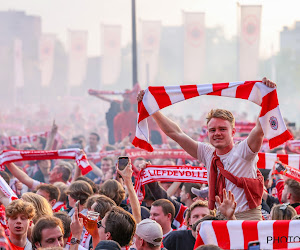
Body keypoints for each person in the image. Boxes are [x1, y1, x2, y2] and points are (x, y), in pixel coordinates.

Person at [137, 78, 277, 220]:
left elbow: (260, 128)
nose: (217, 133)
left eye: (222, 129)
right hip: (219, 219)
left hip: (247, 219)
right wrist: (152, 109)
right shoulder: (207, 153)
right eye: (212, 130)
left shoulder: (244, 151)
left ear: (233, 132)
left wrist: (267, 94)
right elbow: (176, 133)